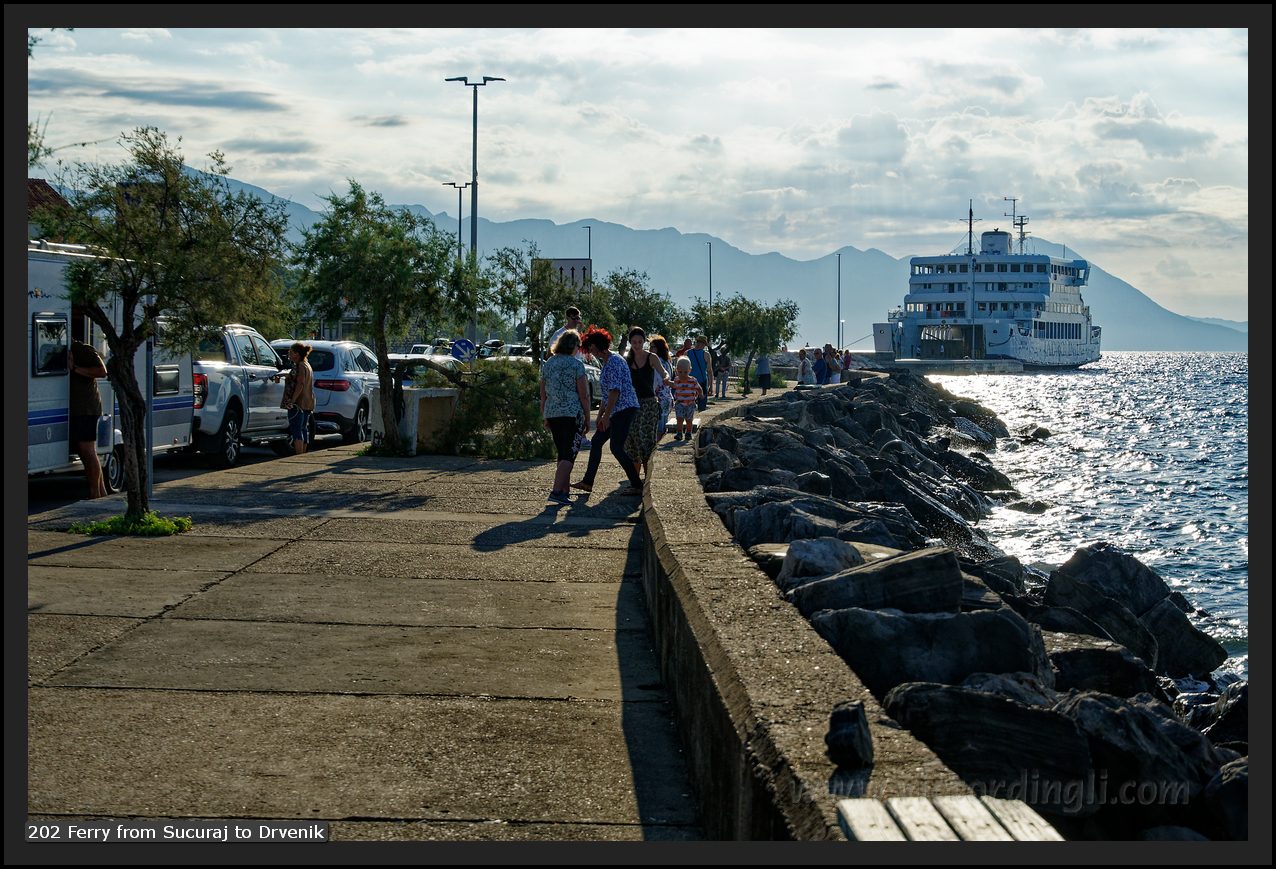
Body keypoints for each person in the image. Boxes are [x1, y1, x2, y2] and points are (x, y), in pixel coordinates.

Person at [572, 329, 644, 496]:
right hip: (616, 409)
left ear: (602, 346)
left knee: (616, 448)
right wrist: (601, 415)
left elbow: (615, 391)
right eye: (590, 350)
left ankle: (637, 484)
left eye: (594, 348)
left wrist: (606, 416)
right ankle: (587, 482)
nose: (592, 352)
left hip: (625, 408)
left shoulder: (614, 361)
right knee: (596, 442)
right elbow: (607, 393)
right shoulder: (606, 362)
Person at [539, 329, 591, 505]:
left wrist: (546, 415)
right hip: (571, 414)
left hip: (553, 413)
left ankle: (564, 491)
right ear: (574, 346)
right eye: (579, 346)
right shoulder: (576, 365)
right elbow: (584, 395)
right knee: (570, 454)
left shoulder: (549, 363)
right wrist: (587, 416)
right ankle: (556, 491)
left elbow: (543, 394)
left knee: (562, 454)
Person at [68, 339, 108, 499]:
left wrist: (75, 368)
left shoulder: (84, 350)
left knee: (87, 451)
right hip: (78, 410)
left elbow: (101, 371)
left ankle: (94, 495)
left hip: (86, 409)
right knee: (86, 452)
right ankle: (101, 493)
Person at [623, 327, 664, 480]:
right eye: (634, 342)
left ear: (644, 341)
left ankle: (647, 480)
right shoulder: (626, 360)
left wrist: (667, 378)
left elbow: (663, 372)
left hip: (648, 405)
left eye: (640, 342)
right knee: (632, 443)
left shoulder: (652, 357)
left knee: (646, 442)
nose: (637, 345)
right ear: (630, 342)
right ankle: (635, 482)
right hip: (631, 405)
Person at [274, 341, 316, 455]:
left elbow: (300, 383)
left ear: (297, 354)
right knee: (303, 428)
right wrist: (285, 375)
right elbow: (297, 377)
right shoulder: (306, 365)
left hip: (298, 403)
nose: (289, 355)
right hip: (308, 402)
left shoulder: (300, 366)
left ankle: (299, 454)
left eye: (291, 352)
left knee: (296, 429)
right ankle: (303, 453)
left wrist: (292, 401)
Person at [647, 335, 674, 443]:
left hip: (659, 399)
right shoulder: (668, 362)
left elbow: (655, 382)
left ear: (658, 348)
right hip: (667, 397)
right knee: (663, 427)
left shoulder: (657, 363)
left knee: (658, 430)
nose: (650, 349)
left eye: (652, 347)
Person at [669, 356, 703, 441]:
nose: (683, 374)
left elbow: (699, 388)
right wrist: (667, 383)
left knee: (689, 420)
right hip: (680, 403)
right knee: (679, 419)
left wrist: (700, 393)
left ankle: (688, 432)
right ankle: (679, 433)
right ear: (677, 370)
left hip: (690, 403)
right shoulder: (677, 380)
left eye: (685, 372)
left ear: (689, 370)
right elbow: (673, 385)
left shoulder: (693, 380)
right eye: (680, 372)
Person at [687, 335, 713, 410]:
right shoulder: (706, 354)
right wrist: (711, 386)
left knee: (688, 407)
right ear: (703, 344)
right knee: (701, 408)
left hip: (689, 383)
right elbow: (709, 371)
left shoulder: (687, 353)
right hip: (702, 383)